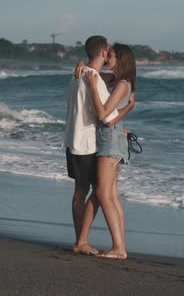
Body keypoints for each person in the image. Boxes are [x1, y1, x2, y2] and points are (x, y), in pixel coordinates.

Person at [63, 36, 134, 255]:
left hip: (72, 139)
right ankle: (84, 242)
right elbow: (107, 116)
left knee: (83, 192)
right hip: (89, 143)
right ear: (103, 53)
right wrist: (128, 108)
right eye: (109, 52)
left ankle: (82, 241)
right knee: (101, 192)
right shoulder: (94, 78)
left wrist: (82, 65)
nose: (110, 55)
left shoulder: (77, 75)